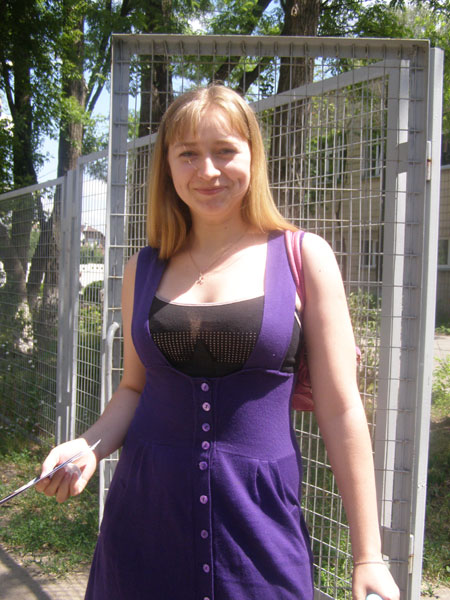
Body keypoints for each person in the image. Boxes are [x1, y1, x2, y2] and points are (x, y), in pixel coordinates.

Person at [37, 84, 400, 600]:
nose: (207, 171)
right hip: (143, 527)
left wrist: (368, 554)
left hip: (259, 530)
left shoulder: (303, 257)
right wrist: (88, 447)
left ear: (253, 156)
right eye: (188, 154)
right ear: (167, 166)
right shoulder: (142, 268)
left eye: (225, 150)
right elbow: (134, 389)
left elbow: (341, 409)